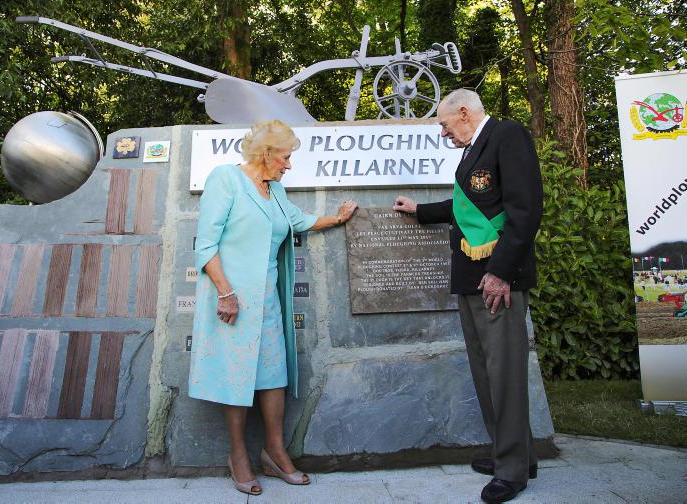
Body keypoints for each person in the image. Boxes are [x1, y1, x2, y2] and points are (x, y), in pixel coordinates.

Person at [189, 119, 358, 496]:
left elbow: (299, 221)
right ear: (266, 154)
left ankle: (274, 451)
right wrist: (225, 292)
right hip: (231, 299)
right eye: (285, 157)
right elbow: (206, 243)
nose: (288, 164)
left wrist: (337, 218)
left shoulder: (276, 190)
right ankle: (238, 455)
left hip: (267, 299)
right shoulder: (226, 179)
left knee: (272, 374)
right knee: (235, 375)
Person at [394, 89, 543, 503]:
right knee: (486, 373)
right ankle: (516, 455)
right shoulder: (473, 150)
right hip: (472, 278)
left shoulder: (507, 136)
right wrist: (421, 210)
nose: (443, 133)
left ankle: (511, 472)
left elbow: (525, 210)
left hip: (497, 280)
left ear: (463, 113)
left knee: (504, 375)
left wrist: (501, 272)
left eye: (444, 125)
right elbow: (468, 207)